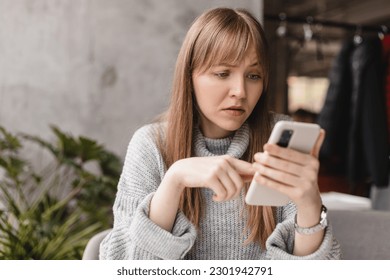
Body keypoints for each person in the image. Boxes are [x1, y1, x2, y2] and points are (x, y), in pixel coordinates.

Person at [100, 7, 341, 260]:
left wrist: (310, 205)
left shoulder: (276, 139)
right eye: (223, 73)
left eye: (253, 75)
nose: (240, 90)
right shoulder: (152, 144)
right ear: (189, 76)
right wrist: (174, 180)